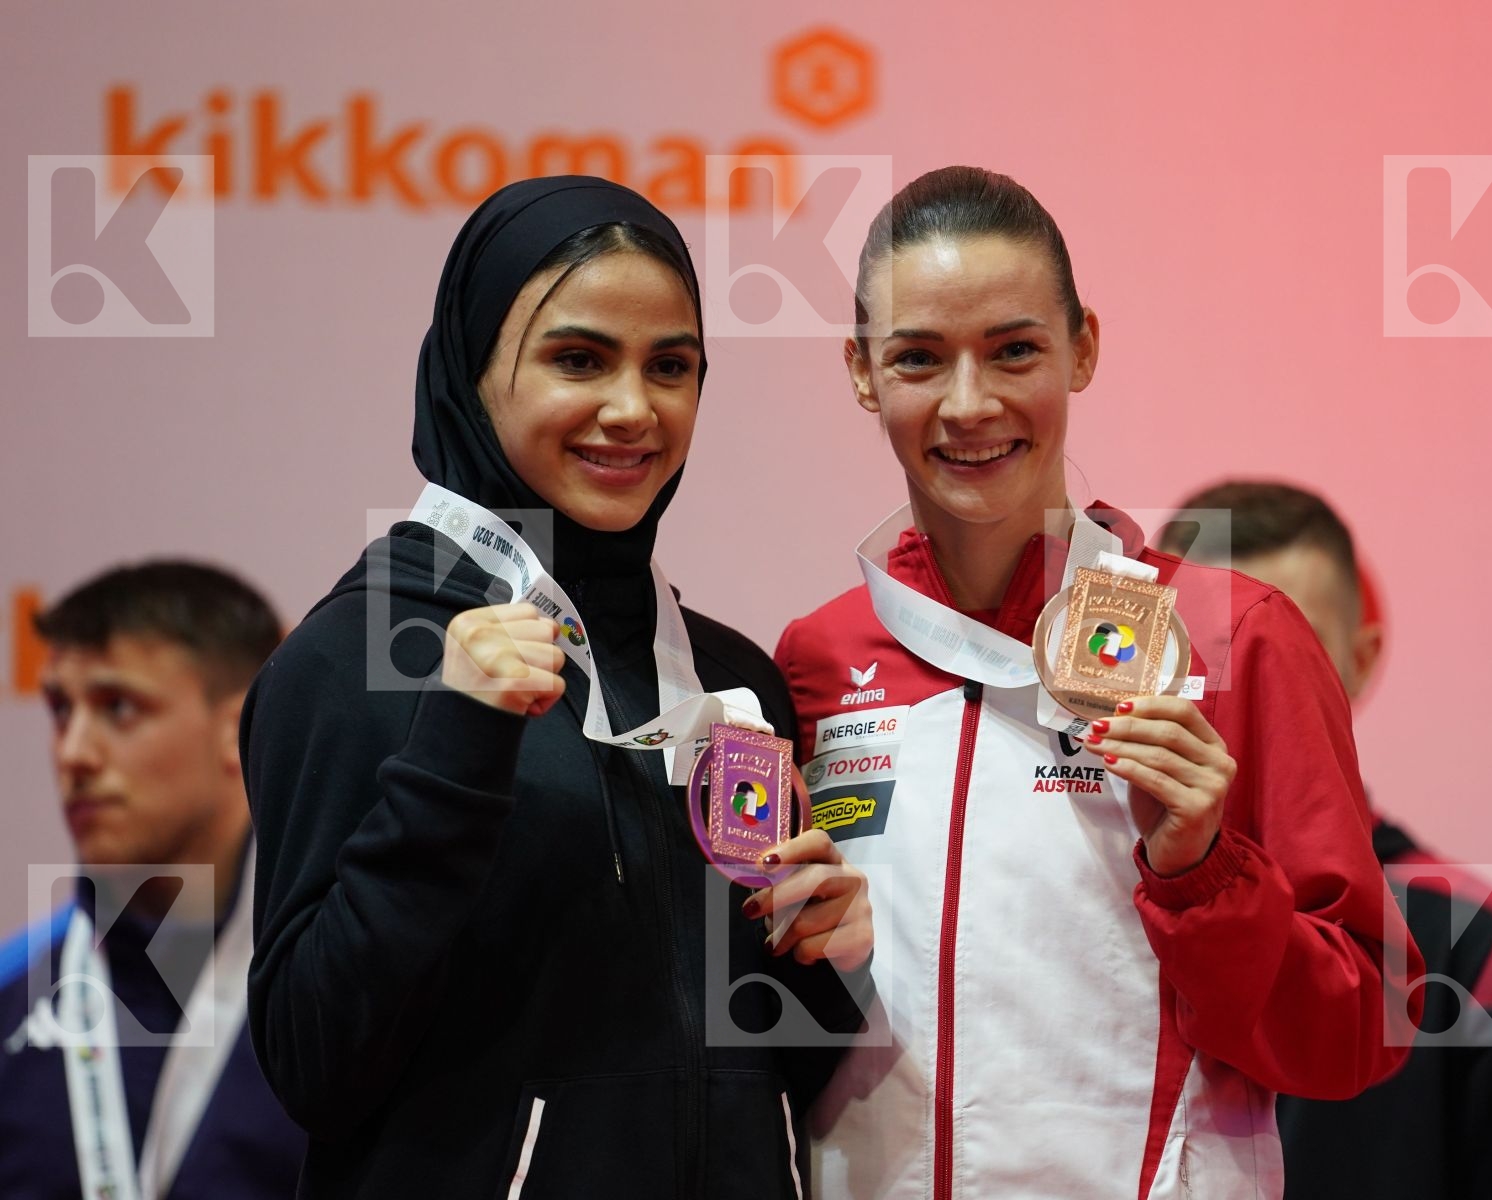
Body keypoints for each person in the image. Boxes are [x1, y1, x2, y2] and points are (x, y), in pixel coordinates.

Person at [773, 165, 1423, 1199]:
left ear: (1083, 346)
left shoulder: (1230, 639)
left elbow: (1358, 1032)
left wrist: (1204, 872)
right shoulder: (815, 659)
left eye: (1014, 349)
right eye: (918, 358)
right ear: (860, 372)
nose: (969, 403)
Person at [242, 177, 872, 1200]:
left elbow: (762, 1074)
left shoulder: (729, 677)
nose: (632, 410)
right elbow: (315, 1062)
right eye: (577, 359)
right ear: (471, 368)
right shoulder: (359, 655)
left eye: (670, 367)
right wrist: (455, 745)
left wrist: (820, 961)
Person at [1161, 479, 1492, 1199]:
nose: (1246, 691)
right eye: (1206, 656)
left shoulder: (1482, 943)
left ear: (1360, 660)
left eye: (1289, 654)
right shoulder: (1090, 892)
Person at [0, 561, 302, 1199]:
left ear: (240, 728)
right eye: (59, 708)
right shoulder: (11, 1001)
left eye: (119, 707)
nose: (73, 752)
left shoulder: (345, 991)